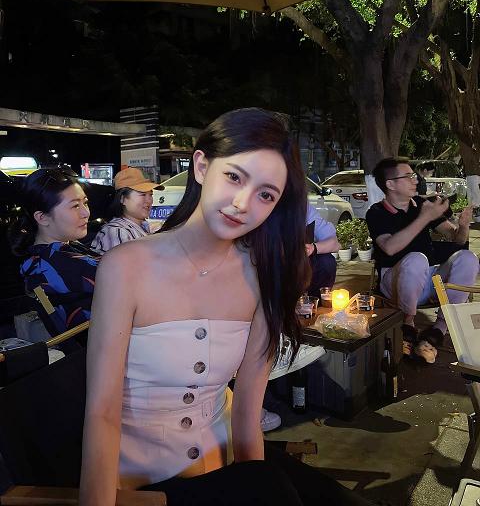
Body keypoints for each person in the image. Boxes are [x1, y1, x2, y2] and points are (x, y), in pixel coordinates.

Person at [80, 108, 375, 506]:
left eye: (265, 195)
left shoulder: (262, 274)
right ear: (202, 166)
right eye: (234, 177)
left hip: (227, 467)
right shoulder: (126, 266)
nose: (242, 203)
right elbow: (101, 412)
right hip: (142, 485)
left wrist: (254, 483)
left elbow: (247, 414)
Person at [366, 157, 479, 363]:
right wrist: (425, 217)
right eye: (408, 176)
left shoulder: (421, 205)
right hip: (394, 282)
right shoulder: (376, 212)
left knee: (468, 258)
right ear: (390, 184)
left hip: (428, 278)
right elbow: (389, 247)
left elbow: (456, 239)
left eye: (414, 175)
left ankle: (439, 330)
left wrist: (463, 226)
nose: (415, 180)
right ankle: (408, 326)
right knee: (416, 259)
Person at [8, 168, 100, 330]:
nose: (86, 212)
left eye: (85, 203)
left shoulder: (44, 255)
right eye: (75, 206)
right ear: (42, 217)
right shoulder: (59, 263)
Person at [90, 167, 162, 254]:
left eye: (150, 194)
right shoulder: (117, 232)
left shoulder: (142, 227)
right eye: (143, 194)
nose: (149, 200)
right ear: (123, 199)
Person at [305, 203, 340, 292]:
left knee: (326, 261)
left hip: (300, 260)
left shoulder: (305, 209)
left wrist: (312, 248)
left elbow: (335, 243)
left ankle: (316, 299)